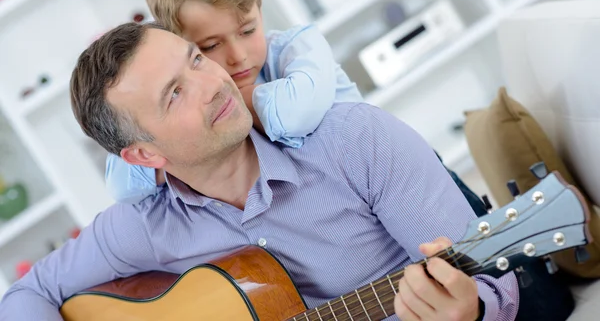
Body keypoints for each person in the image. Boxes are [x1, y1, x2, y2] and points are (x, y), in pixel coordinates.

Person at [0, 22, 518, 320]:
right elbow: (28, 295)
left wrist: (469, 312)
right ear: (142, 155)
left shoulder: (356, 140)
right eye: (175, 94)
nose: (213, 84)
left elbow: (496, 285)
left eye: (195, 61)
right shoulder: (143, 227)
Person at [105, 0, 362, 204]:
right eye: (211, 46)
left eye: (248, 30)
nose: (238, 56)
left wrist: (239, 103)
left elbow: (296, 114)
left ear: (259, 10)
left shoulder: (299, 48)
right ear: (179, 46)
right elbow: (120, 185)